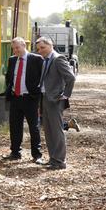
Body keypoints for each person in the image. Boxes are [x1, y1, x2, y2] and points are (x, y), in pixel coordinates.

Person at [35, 36, 76, 170]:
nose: (40, 51)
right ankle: (53, 159)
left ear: (50, 45)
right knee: (48, 130)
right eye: (38, 49)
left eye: (42, 48)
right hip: (45, 98)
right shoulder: (45, 60)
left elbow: (70, 78)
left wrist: (65, 95)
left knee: (56, 131)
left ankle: (60, 161)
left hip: (55, 100)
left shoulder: (58, 59)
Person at [1, 37, 44, 163]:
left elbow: (42, 77)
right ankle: (15, 152)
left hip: (30, 99)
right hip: (15, 98)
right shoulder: (12, 60)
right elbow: (9, 77)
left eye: (17, 48)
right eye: (13, 49)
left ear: (24, 46)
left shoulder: (36, 59)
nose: (15, 51)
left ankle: (37, 155)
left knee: (34, 128)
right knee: (15, 127)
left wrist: (36, 93)